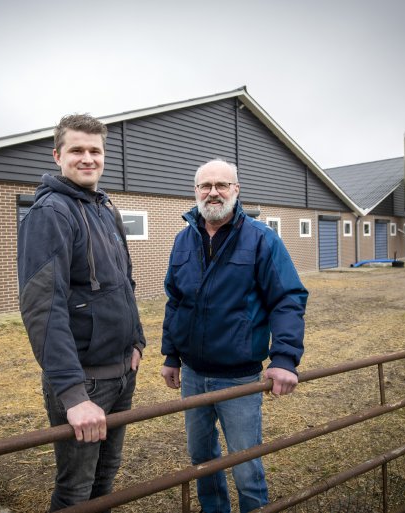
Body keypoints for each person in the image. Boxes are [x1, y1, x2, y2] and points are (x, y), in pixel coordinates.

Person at [160, 158, 308, 513]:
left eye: (221, 185)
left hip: (238, 378)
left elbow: (288, 298)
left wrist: (285, 358)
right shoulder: (183, 240)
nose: (213, 192)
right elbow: (175, 299)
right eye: (205, 186)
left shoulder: (261, 239)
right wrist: (171, 355)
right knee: (203, 461)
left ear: (236, 191)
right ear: (195, 192)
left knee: (245, 463)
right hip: (193, 376)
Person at [18, 113, 145, 511]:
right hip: (85, 383)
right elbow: (44, 309)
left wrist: (137, 341)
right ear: (58, 155)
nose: (87, 158)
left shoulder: (105, 208)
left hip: (122, 374)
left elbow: (125, 282)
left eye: (95, 150)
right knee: (75, 489)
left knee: (106, 478)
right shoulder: (51, 213)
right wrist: (73, 396)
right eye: (77, 150)